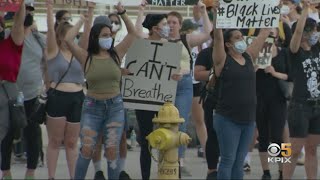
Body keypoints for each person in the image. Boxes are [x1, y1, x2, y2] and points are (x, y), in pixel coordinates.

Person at [65, 2, 136, 179]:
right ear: (95, 37)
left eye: (110, 34)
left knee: (112, 151)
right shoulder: (85, 56)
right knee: (87, 149)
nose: (109, 38)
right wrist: (83, 18)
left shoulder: (116, 53)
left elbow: (133, 33)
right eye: (105, 35)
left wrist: (123, 13)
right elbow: (67, 39)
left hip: (115, 107)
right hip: (92, 107)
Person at [211, 1, 271, 178]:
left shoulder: (249, 57)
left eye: (241, 37)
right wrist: (217, 17)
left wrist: (272, 9)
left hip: (248, 119)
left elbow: (263, 34)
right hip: (227, 118)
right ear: (229, 45)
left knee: (239, 161)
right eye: (237, 38)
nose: (241, 40)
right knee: (228, 159)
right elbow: (218, 38)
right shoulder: (222, 60)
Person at [45, 0, 91, 179]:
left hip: (77, 96)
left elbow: (86, 34)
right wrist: (49, 8)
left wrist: (89, 11)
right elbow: (50, 31)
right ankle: (51, 176)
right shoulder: (52, 50)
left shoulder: (79, 52)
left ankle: (74, 177)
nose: (73, 38)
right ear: (62, 36)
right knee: (55, 141)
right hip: (58, 96)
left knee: (72, 142)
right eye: (70, 35)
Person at [166, 1, 211, 175]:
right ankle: (275, 167)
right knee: (171, 123)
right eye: (168, 22)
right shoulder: (161, 41)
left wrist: (204, 12)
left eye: (174, 22)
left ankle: (209, 157)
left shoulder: (188, 39)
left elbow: (208, 33)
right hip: (173, 85)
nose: (171, 26)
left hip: (189, 84)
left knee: (197, 121)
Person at [1, 3, 45, 180]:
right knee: (8, 134)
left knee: (33, 133)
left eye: (30, 11)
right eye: (25, 10)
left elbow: (46, 61)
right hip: (10, 95)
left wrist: (46, 85)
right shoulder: (7, 36)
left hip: (32, 95)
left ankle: (31, 172)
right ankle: (6, 171)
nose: (28, 14)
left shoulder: (38, 38)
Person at [283, 1, 320, 179]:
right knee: (294, 150)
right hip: (300, 106)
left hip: (317, 106)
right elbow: (297, 32)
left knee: (312, 149)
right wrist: (305, 9)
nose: (315, 34)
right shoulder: (295, 51)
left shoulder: (317, 49)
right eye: (312, 31)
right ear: (304, 33)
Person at [134, 11, 169, 179]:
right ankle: (146, 176)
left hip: (164, 99)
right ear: (155, 28)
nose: (168, 27)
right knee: (147, 141)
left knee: (167, 140)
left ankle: (166, 173)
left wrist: (175, 74)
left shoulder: (170, 47)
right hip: (144, 99)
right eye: (165, 24)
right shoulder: (140, 44)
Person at [255, 28, 290, 180]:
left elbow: (290, 76)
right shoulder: (254, 53)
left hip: (278, 99)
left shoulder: (284, 53)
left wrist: (274, 72)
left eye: (272, 32)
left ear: (277, 35)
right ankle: (266, 172)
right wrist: (254, 69)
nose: (269, 35)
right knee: (263, 136)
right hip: (259, 97)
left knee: (278, 136)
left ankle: (283, 171)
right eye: (266, 32)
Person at [0, 1, 25, 178]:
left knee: (6, 140)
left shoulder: (12, 43)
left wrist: (20, 4)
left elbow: (18, 22)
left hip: (7, 96)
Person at [194, 30, 220, 179]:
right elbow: (197, 74)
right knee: (213, 134)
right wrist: (215, 73)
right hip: (214, 99)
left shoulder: (244, 54)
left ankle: (282, 168)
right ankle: (212, 170)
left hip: (278, 99)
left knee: (281, 135)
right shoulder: (206, 53)